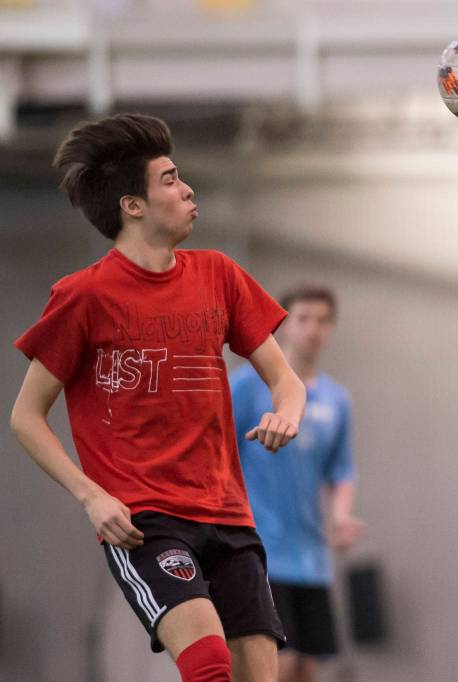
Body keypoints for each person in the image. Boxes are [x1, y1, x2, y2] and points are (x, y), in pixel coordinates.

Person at [9, 113, 306, 682]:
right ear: (133, 206)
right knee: (210, 666)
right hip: (146, 521)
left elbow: (285, 379)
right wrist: (92, 497)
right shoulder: (83, 296)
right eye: (170, 179)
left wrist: (286, 415)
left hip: (229, 515)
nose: (188, 188)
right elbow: (25, 417)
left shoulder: (219, 275)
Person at [231, 283, 364, 682]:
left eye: (323, 321)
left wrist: (341, 516)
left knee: (306, 668)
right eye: (303, 318)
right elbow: (217, 451)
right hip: (259, 551)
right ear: (284, 325)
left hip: (311, 559)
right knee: (275, 664)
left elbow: (340, 470)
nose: (313, 329)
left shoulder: (337, 401)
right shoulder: (247, 386)